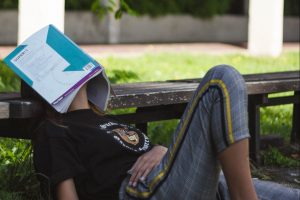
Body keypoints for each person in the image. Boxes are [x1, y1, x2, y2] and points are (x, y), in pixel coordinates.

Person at [32, 65, 299, 200]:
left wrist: (161, 150)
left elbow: (147, 154)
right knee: (222, 79)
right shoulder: (55, 129)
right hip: (146, 192)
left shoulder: (104, 119)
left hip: (184, 181)